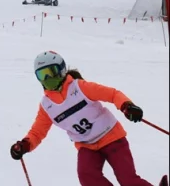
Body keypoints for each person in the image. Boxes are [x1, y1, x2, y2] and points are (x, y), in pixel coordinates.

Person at [10, 52, 160, 186]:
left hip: (111, 137)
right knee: (87, 177)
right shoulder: (47, 106)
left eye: (51, 72)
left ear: (61, 70)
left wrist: (126, 106)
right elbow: (37, 132)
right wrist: (25, 145)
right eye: (42, 75)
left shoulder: (80, 88)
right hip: (87, 146)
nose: (47, 78)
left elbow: (112, 94)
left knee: (127, 179)